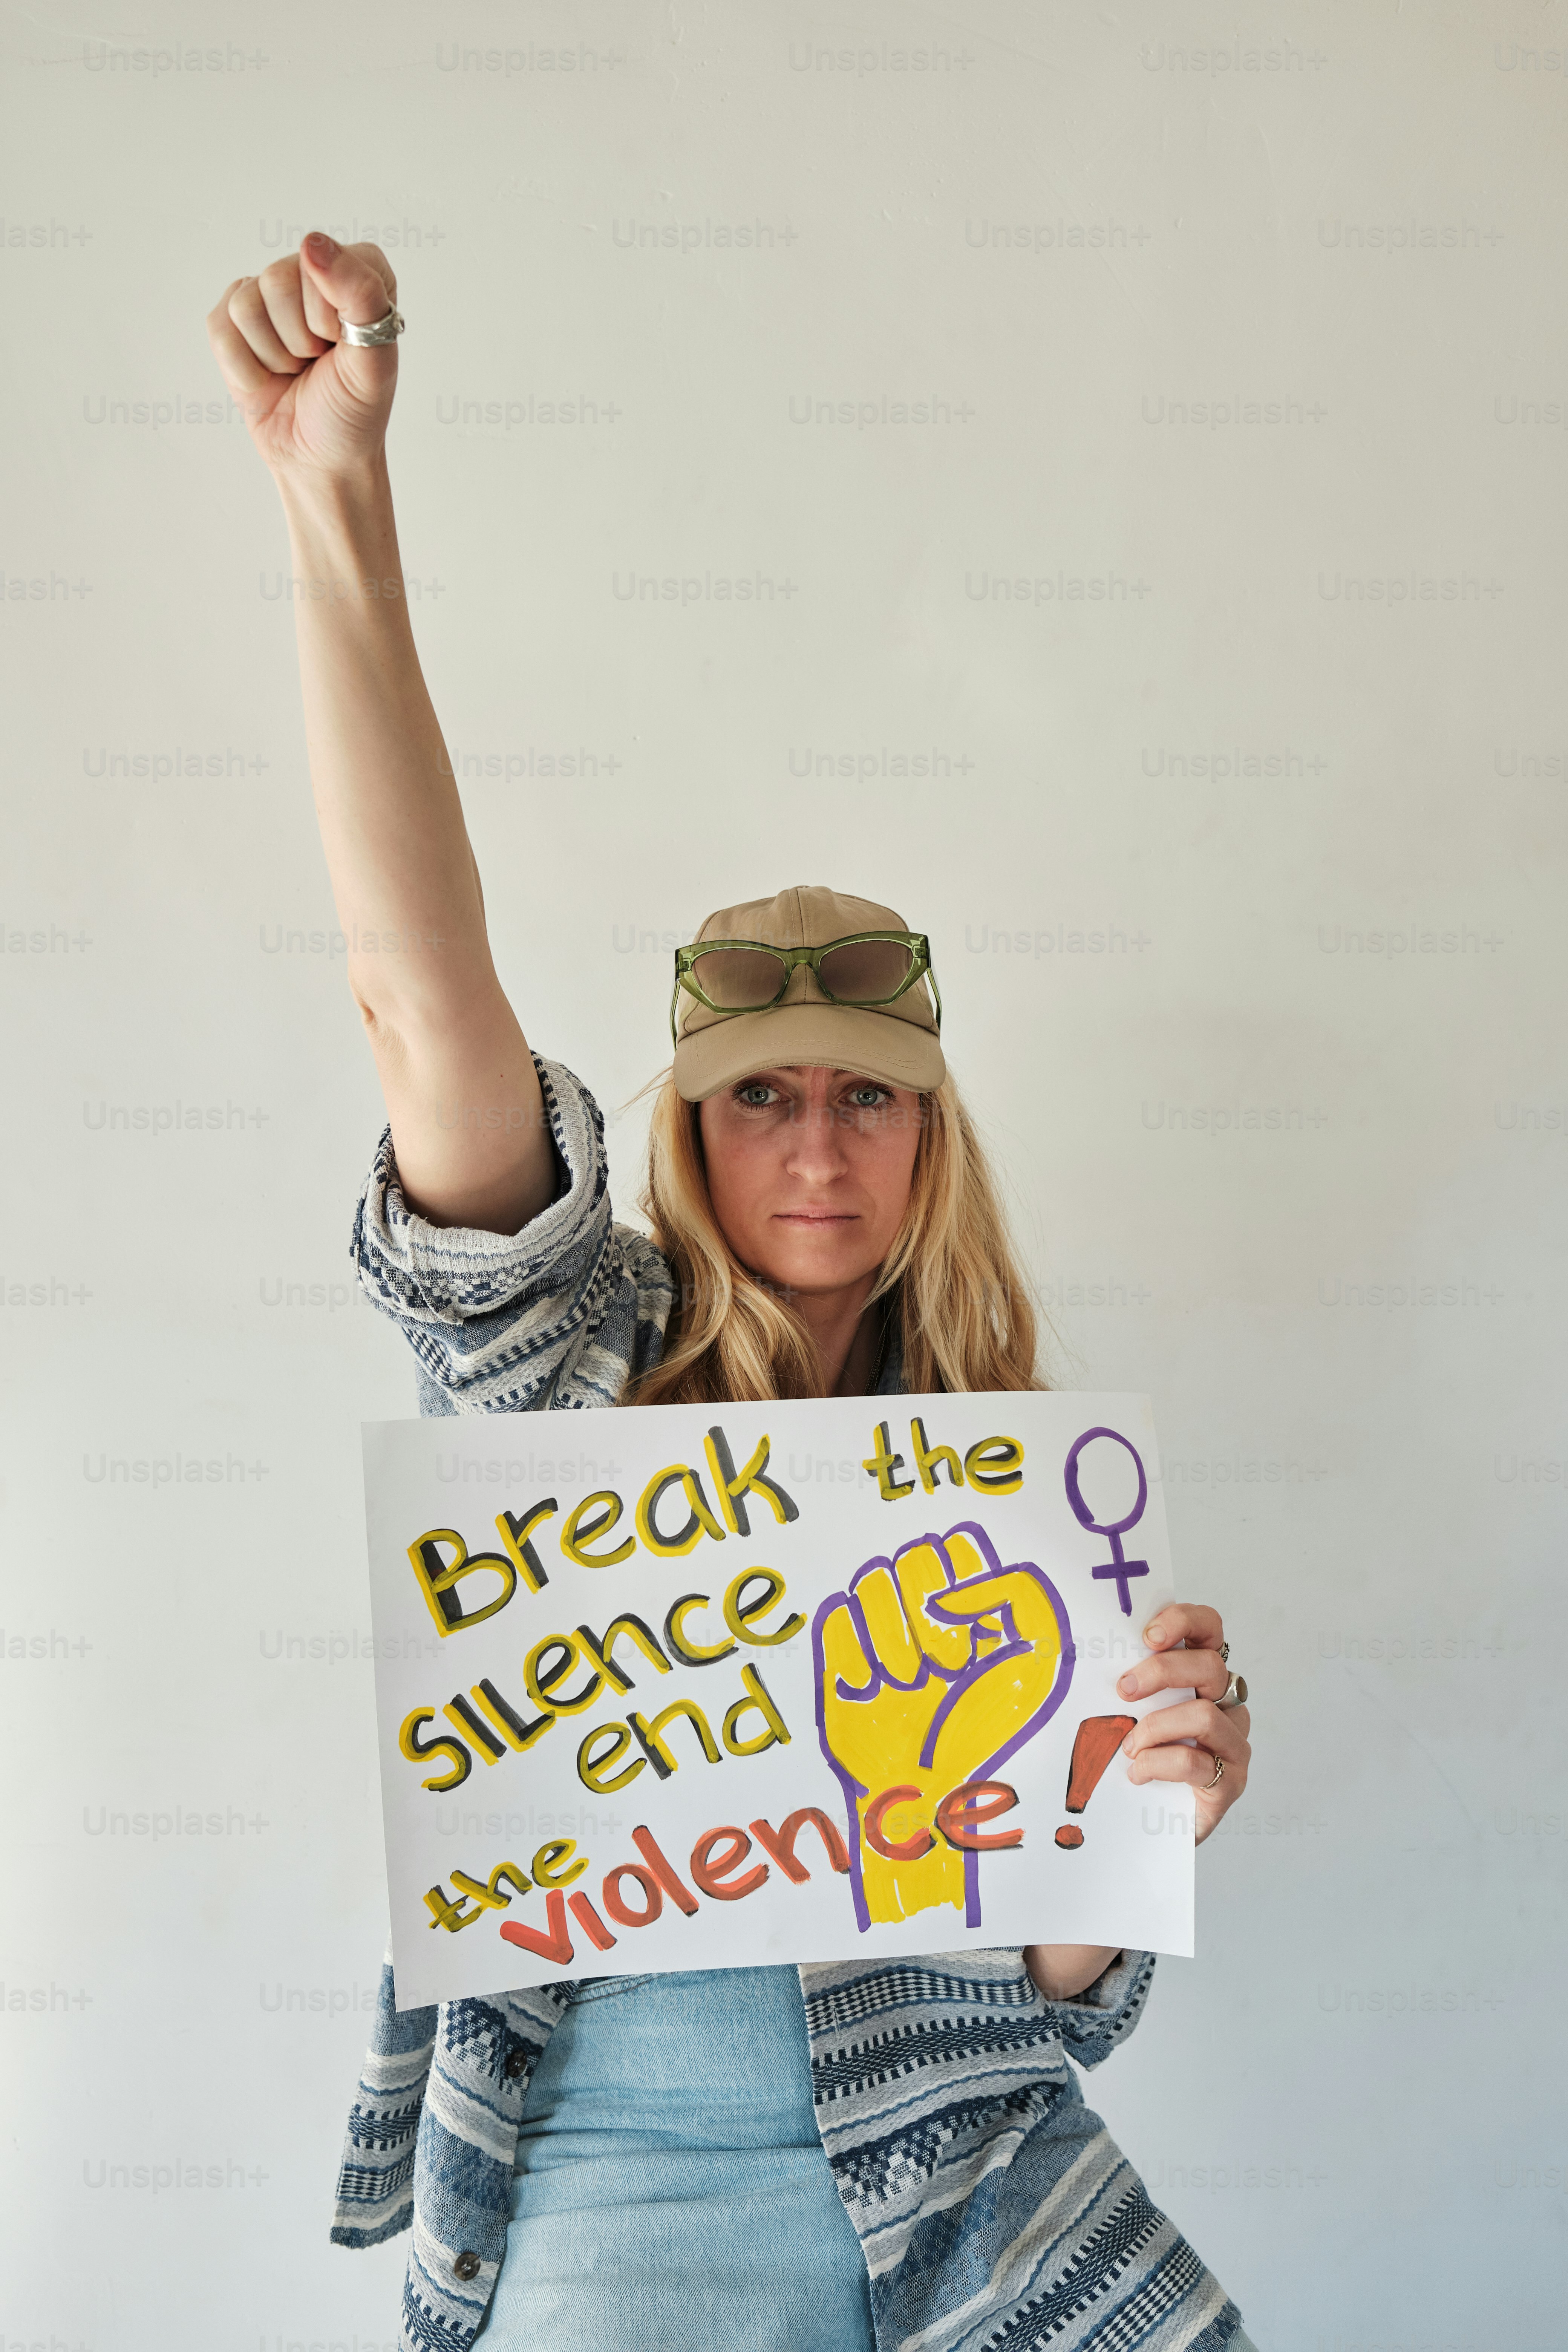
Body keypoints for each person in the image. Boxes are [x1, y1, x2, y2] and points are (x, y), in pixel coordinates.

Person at [207, 235, 1259, 2352]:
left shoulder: (1024, 1487)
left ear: (931, 1137)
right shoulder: (569, 1379)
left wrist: (1156, 1803)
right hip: (606, 2203)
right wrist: (337, 493)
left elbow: (1068, 2011)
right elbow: (422, 1003)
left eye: (867, 1097)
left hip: (977, 2207)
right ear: (683, 1133)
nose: (811, 1145)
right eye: (756, 1097)